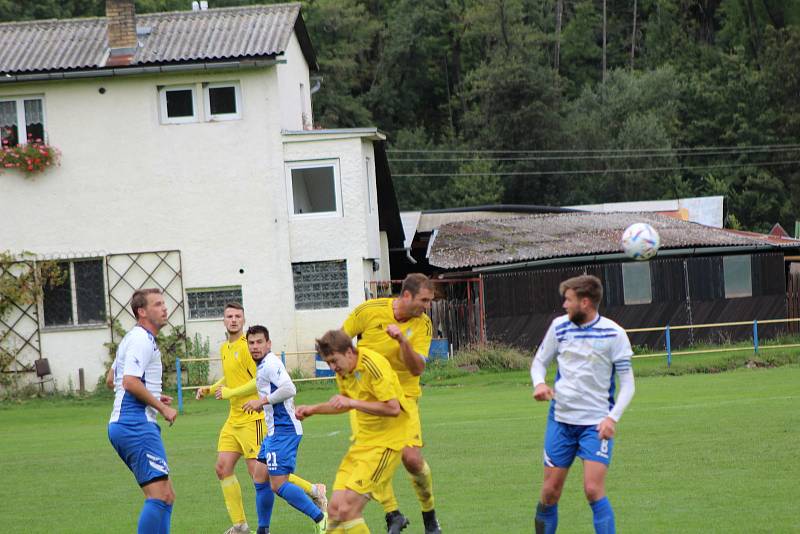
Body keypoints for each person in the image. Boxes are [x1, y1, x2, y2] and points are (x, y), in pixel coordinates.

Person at [195, 302, 326, 534]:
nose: (233, 320)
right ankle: (249, 527)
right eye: (229, 316)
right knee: (244, 473)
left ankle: (318, 503)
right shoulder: (230, 349)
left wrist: (252, 399)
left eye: (238, 316)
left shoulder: (258, 355)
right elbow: (239, 378)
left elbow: (279, 385)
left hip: (265, 424)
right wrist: (211, 388)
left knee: (272, 480)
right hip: (250, 422)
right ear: (223, 321)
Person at [530, 275, 636, 534]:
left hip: (595, 425)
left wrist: (612, 418)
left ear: (585, 302)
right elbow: (539, 362)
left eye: (568, 300)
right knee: (549, 492)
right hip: (561, 421)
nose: (564, 305)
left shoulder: (614, 334)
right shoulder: (559, 327)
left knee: (592, 489)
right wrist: (539, 384)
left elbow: (628, 384)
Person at [342, 273, 440, 534]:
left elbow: (417, 368)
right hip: (369, 398)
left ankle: (429, 515)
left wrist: (402, 341)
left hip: (404, 397)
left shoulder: (423, 324)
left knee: (411, 459)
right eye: (424, 300)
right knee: (373, 457)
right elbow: (340, 341)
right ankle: (392, 513)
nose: (427, 305)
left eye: (429, 301)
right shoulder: (369, 311)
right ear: (406, 296)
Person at [295, 329, 413, 534]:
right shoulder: (344, 372)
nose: (333, 367)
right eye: (328, 362)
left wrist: (352, 401)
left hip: (386, 445)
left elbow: (393, 408)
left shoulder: (372, 365)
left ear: (350, 352)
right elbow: (345, 404)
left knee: (348, 509)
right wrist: (312, 409)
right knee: (334, 510)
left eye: (334, 361)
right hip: (361, 445)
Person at [241, 325, 327, 534]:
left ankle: (323, 518)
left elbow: (289, 388)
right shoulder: (262, 365)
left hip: (284, 430)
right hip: (274, 432)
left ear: (268, 344)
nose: (255, 347)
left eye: (259, 342)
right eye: (251, 343)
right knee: (259, 477)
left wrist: (262, 402)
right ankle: (263, 530)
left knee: (278, 485)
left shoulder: (270, 363)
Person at [108, 288, 178, 534]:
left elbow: (112, 379)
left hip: (129, 423)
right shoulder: (140, 339)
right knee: (158, 496)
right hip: (134, 424)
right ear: (142, 311)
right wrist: (162, 407)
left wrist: (154, 395)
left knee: (167, 495)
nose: (164, 308)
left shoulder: (131, 338)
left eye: (163, 303)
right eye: (157, 304)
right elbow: (129, 382)